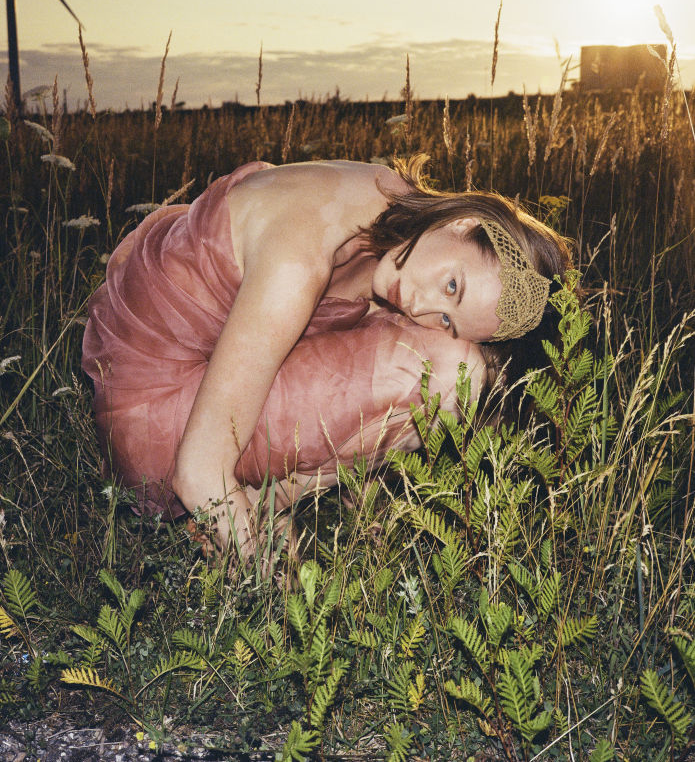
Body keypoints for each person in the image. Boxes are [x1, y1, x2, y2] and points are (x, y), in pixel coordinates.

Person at [82, 155, 572, 556]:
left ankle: (266, 501)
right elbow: (197, 473)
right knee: (451, 370)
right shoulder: (299, 255)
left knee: (457, 358)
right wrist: (280, 601)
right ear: (465, 222)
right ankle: (244, 515)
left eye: (448, 318)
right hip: (159, 425)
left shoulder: (389, 200)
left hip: (200, 367)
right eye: (451, 286)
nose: (422, 306)